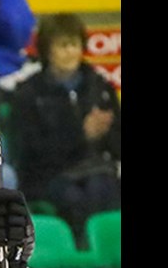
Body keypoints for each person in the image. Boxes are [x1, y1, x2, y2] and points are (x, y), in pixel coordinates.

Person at [9, 13, 121, 243]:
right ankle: (83, 263)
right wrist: (81, 135)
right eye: (63, 45)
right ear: (47, 50)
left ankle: (108, 264)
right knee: (75, 197)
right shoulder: (29, 94)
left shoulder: (99, 87)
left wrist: (106, 132)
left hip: (96, 169)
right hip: (49, 175)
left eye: (75, 44)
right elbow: (29, 151)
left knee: (104, 188)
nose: (70, 52)